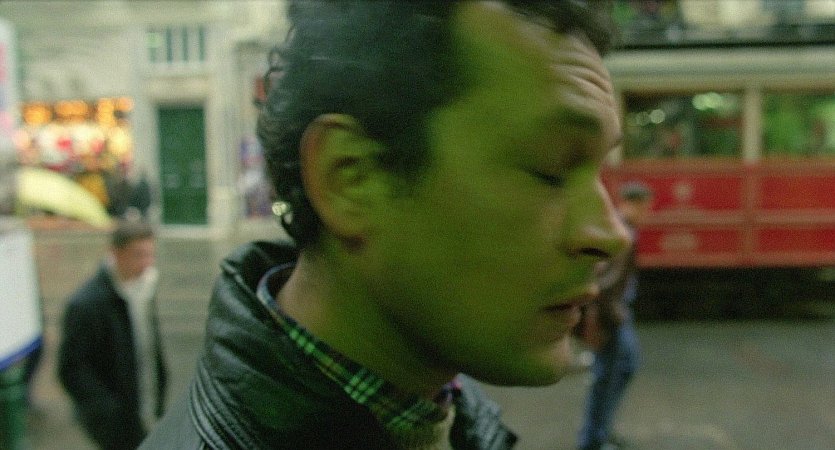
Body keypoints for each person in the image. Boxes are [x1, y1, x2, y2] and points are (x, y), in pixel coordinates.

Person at [142, 1, 628, 448]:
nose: (611, 234)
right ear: (350, 179)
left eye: (600, 171)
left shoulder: (447, 415)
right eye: (550, 169)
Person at [58, 220, 168, 450]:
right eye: (138, 255)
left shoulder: (143, 289)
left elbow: (149, 348)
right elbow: (71, 369)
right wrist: (105, 414)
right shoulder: (87, 304)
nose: (147, 264)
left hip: (147, 411)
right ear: (116, 254)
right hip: (116, 424)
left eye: (150, 255)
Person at [577, 181, 653, 450]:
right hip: (612, 316)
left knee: (624, 367)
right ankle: (592, 440)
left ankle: (601, 431)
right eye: (644, 206)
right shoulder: (623, 234)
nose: (646, 213)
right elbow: (606, 284)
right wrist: (604, 320)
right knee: (607, 376)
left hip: (615, 313)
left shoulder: (621, 229)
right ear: (631, 204)